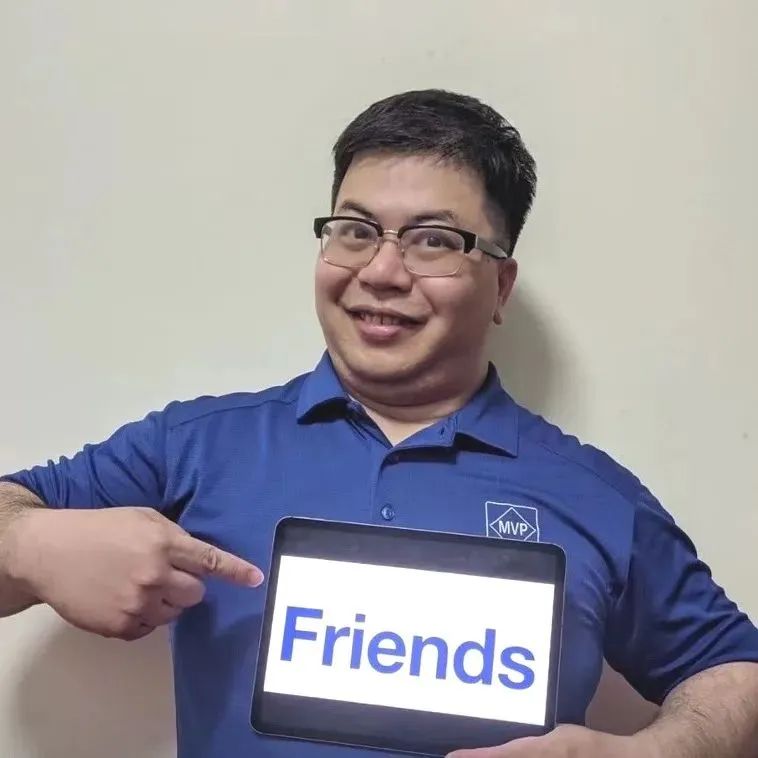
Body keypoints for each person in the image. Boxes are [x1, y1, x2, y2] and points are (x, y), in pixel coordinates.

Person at [1, 89, 757, 758]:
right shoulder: (195, 446)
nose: (382, 271)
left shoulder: (594, 495)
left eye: (434, 240)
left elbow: (738, 672)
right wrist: (29, 544)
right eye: (356, 231)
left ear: (501, 285)